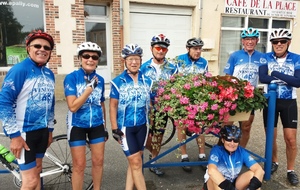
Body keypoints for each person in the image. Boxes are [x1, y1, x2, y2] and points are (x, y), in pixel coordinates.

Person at [0, 30, 56, 190]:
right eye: (37, 45)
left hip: (42, 131)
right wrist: (14, 136)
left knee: (37, 171)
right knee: (30, 181)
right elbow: (4, 102)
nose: (42, 49)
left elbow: (50, 104)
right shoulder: (20, 70)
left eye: (47, 47)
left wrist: (50, 130)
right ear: (28, 48)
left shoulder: (49, 74)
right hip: (24, 134)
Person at [64, 42, 108, 190]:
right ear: (80, 58)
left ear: (98, 60)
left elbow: (101, 104)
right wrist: (88, 91)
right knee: (79, 165)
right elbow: (73, 106)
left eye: (94, 57)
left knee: (98, 161)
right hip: (77, 125)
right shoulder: (71, 78)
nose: (90, 59)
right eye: (86, 56)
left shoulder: (100, 80)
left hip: (97, 125)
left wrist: (105, 127)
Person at [259, 28, 300, 186]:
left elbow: (298, 82)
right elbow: (263, 77)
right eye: (275, 42)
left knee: (290, 140)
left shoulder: (296, 58)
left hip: (289, 102)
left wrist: (274, 72)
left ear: (288, 43)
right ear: (272, 44)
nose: (279, 44)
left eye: (282, 41)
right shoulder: (265, 57)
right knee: (271, 137)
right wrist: (287, 78)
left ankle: (290, 170)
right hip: (270, 101)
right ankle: (274, 162)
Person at [110, 44, 152, 190]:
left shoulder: (148, 81)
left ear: (140, 61)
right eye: (130, 59)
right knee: (135, 162)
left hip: (142, 126)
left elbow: (151, 104)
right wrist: (114, 128)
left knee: (135, 162)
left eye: (136, 59)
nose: (133, 62)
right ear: (125, 61)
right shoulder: (117, 82)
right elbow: (113, 106)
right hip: (125, 128)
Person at [140, 34, 177, 176]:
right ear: (151, 49)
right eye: (158, 48)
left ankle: (154, 160)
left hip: (162, 108)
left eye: (164, 49)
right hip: (145, 108)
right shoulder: (143, 68)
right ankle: (141, 158)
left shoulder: (172, 68)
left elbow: (176, 87)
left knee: (158, 136)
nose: (160, 51)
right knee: (145, 136)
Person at [223, 27, 263, 148]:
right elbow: (227, 76)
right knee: (227, 125)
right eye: (247, 39)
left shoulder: (262, 57)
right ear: (242, 41)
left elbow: (265, 76)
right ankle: (224, 152)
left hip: (250, 97)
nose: (250, 42)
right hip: (234, 96)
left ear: (257, 41)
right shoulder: (235, 56)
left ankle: (240, 152)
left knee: (246, 127)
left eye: (252, 39)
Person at [176, 37, 208, 172]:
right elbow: (174, 79)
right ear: (188, 49)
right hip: (182, 99)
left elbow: (206, 80)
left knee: (200, 125)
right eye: (195, 49)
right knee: (181, 126)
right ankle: (184, 156)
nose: (198, 51)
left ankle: (202, 155)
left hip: (198, 99)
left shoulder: (204, 62)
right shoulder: (180, 60)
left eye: (200, 49)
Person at [203, 125, 264, 190]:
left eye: (235, 140)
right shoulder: (216, 150)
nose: (232, 143)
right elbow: (211, 171)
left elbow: (259, 170)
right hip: (217, 184)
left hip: (233, 183)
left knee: (253, 176)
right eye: (229, 139)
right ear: (223, 140)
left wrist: (251, 188)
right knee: (216, 180)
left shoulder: (241, 151)